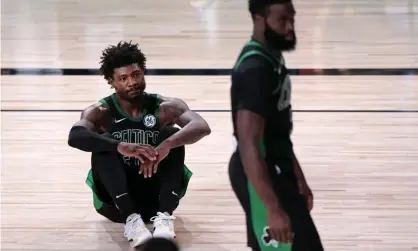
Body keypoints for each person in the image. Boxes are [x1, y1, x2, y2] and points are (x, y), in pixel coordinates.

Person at [67, 41, 211, 248]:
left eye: (136, 75)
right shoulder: (100, 111)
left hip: (156, 195)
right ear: (111, 81)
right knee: (103, 146)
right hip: (115, 203)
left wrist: (167, 145)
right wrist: (119, 145)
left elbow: (201, 126)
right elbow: (75, 136)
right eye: (123, 78)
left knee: (173, 134)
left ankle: (164, 218)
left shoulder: (165, 106)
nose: (132, 82)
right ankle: (131, 221)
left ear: (143, 72)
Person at [228, 0, 324, 251]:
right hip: (259, 175)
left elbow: (275, 131)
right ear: (259, 18)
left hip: (277, 168)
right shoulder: (254, 69)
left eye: (292, 18)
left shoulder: (272, 56)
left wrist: (297, 176)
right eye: (282, 20)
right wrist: (272, 207)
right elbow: (249, 143)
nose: (290, 27)